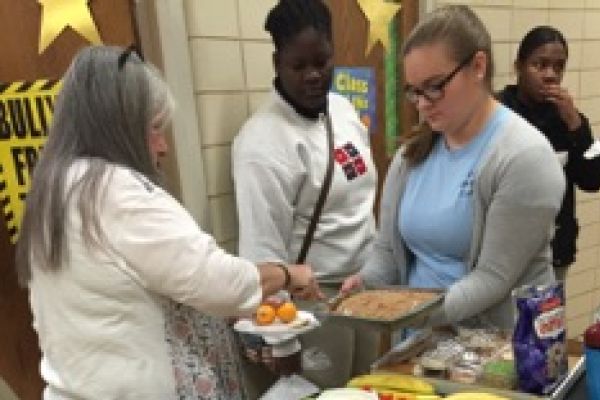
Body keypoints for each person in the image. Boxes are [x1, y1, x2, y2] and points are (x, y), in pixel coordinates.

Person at [15, 45, 320, 400]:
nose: (163, 147)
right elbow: (217, 280)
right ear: (120, 128)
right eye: (154, 129)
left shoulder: (55, 185)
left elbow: (132, 287)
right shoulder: (113, 190)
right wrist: (287, 274)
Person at [341, 5, 565, 330]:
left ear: (477, 66)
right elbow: (388, 251)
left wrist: (406, 311)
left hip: (497, 354)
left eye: (434, 86)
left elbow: (493, 278)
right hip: (421, 343)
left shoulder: (524, 156)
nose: (422, 103)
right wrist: (365, 285)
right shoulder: (411, 155)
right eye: (414, 91)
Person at [232, 0, 378, 390]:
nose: (314, 76)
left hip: (367, 291)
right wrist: (277, 337)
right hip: (313, 306)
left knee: (371, 391)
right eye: (299, 66)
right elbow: (261, 253)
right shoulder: (261, 143)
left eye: (323, 62)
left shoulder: (343, 110)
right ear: (277, 61)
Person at [498, 26, 600, 282]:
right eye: (539, 65)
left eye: (558, 67)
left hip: (555, 251)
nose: (550, 75)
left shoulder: (571, 120)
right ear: (518, 66)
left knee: (548, 321)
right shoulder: (497, 112)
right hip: (503, 254)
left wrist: (575, 125)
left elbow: (592, 179)